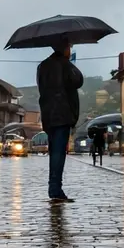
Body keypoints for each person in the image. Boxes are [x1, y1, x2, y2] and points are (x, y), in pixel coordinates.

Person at [37, 39, 83, 201]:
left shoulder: (42, 66)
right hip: (62, 114)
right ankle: (55, 189)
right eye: (69, 47)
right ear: (64, 49)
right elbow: (78, 81)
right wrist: (69, 63)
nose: (70, 50)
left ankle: (54, 187)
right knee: (58, 152)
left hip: (49, 114)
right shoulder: (64, 65)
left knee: (54, 152)